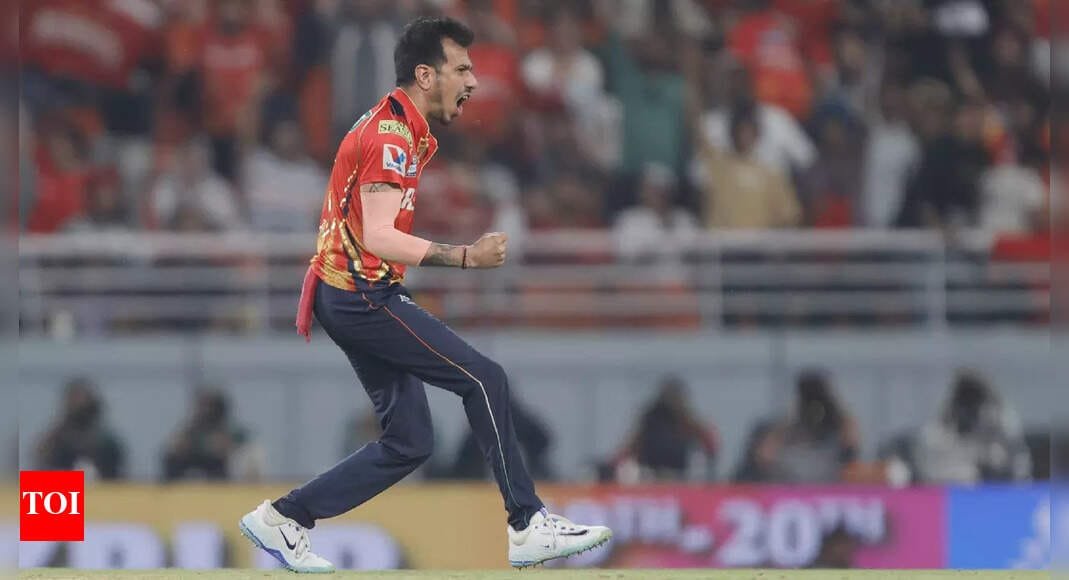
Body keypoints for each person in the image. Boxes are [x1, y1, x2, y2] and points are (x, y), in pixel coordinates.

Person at [238, 17, 611, 573]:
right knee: (485, 379)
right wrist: (466, 257)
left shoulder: (397, 125)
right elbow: (379, 236)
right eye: (461, 69)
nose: (473, 81)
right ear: (425, 75)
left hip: (349, 291)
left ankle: (284, 518)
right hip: (362, 294)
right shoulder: (392, 135)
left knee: (409, 441)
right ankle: (527, 523)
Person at [36, 377, 125, 480]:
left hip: (102, 487)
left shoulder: (107, 442)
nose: (78, 404)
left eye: (82, 400)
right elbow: (38, 477)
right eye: (73, 400)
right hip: (64, 486)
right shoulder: (55, 440)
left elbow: (119, 479)